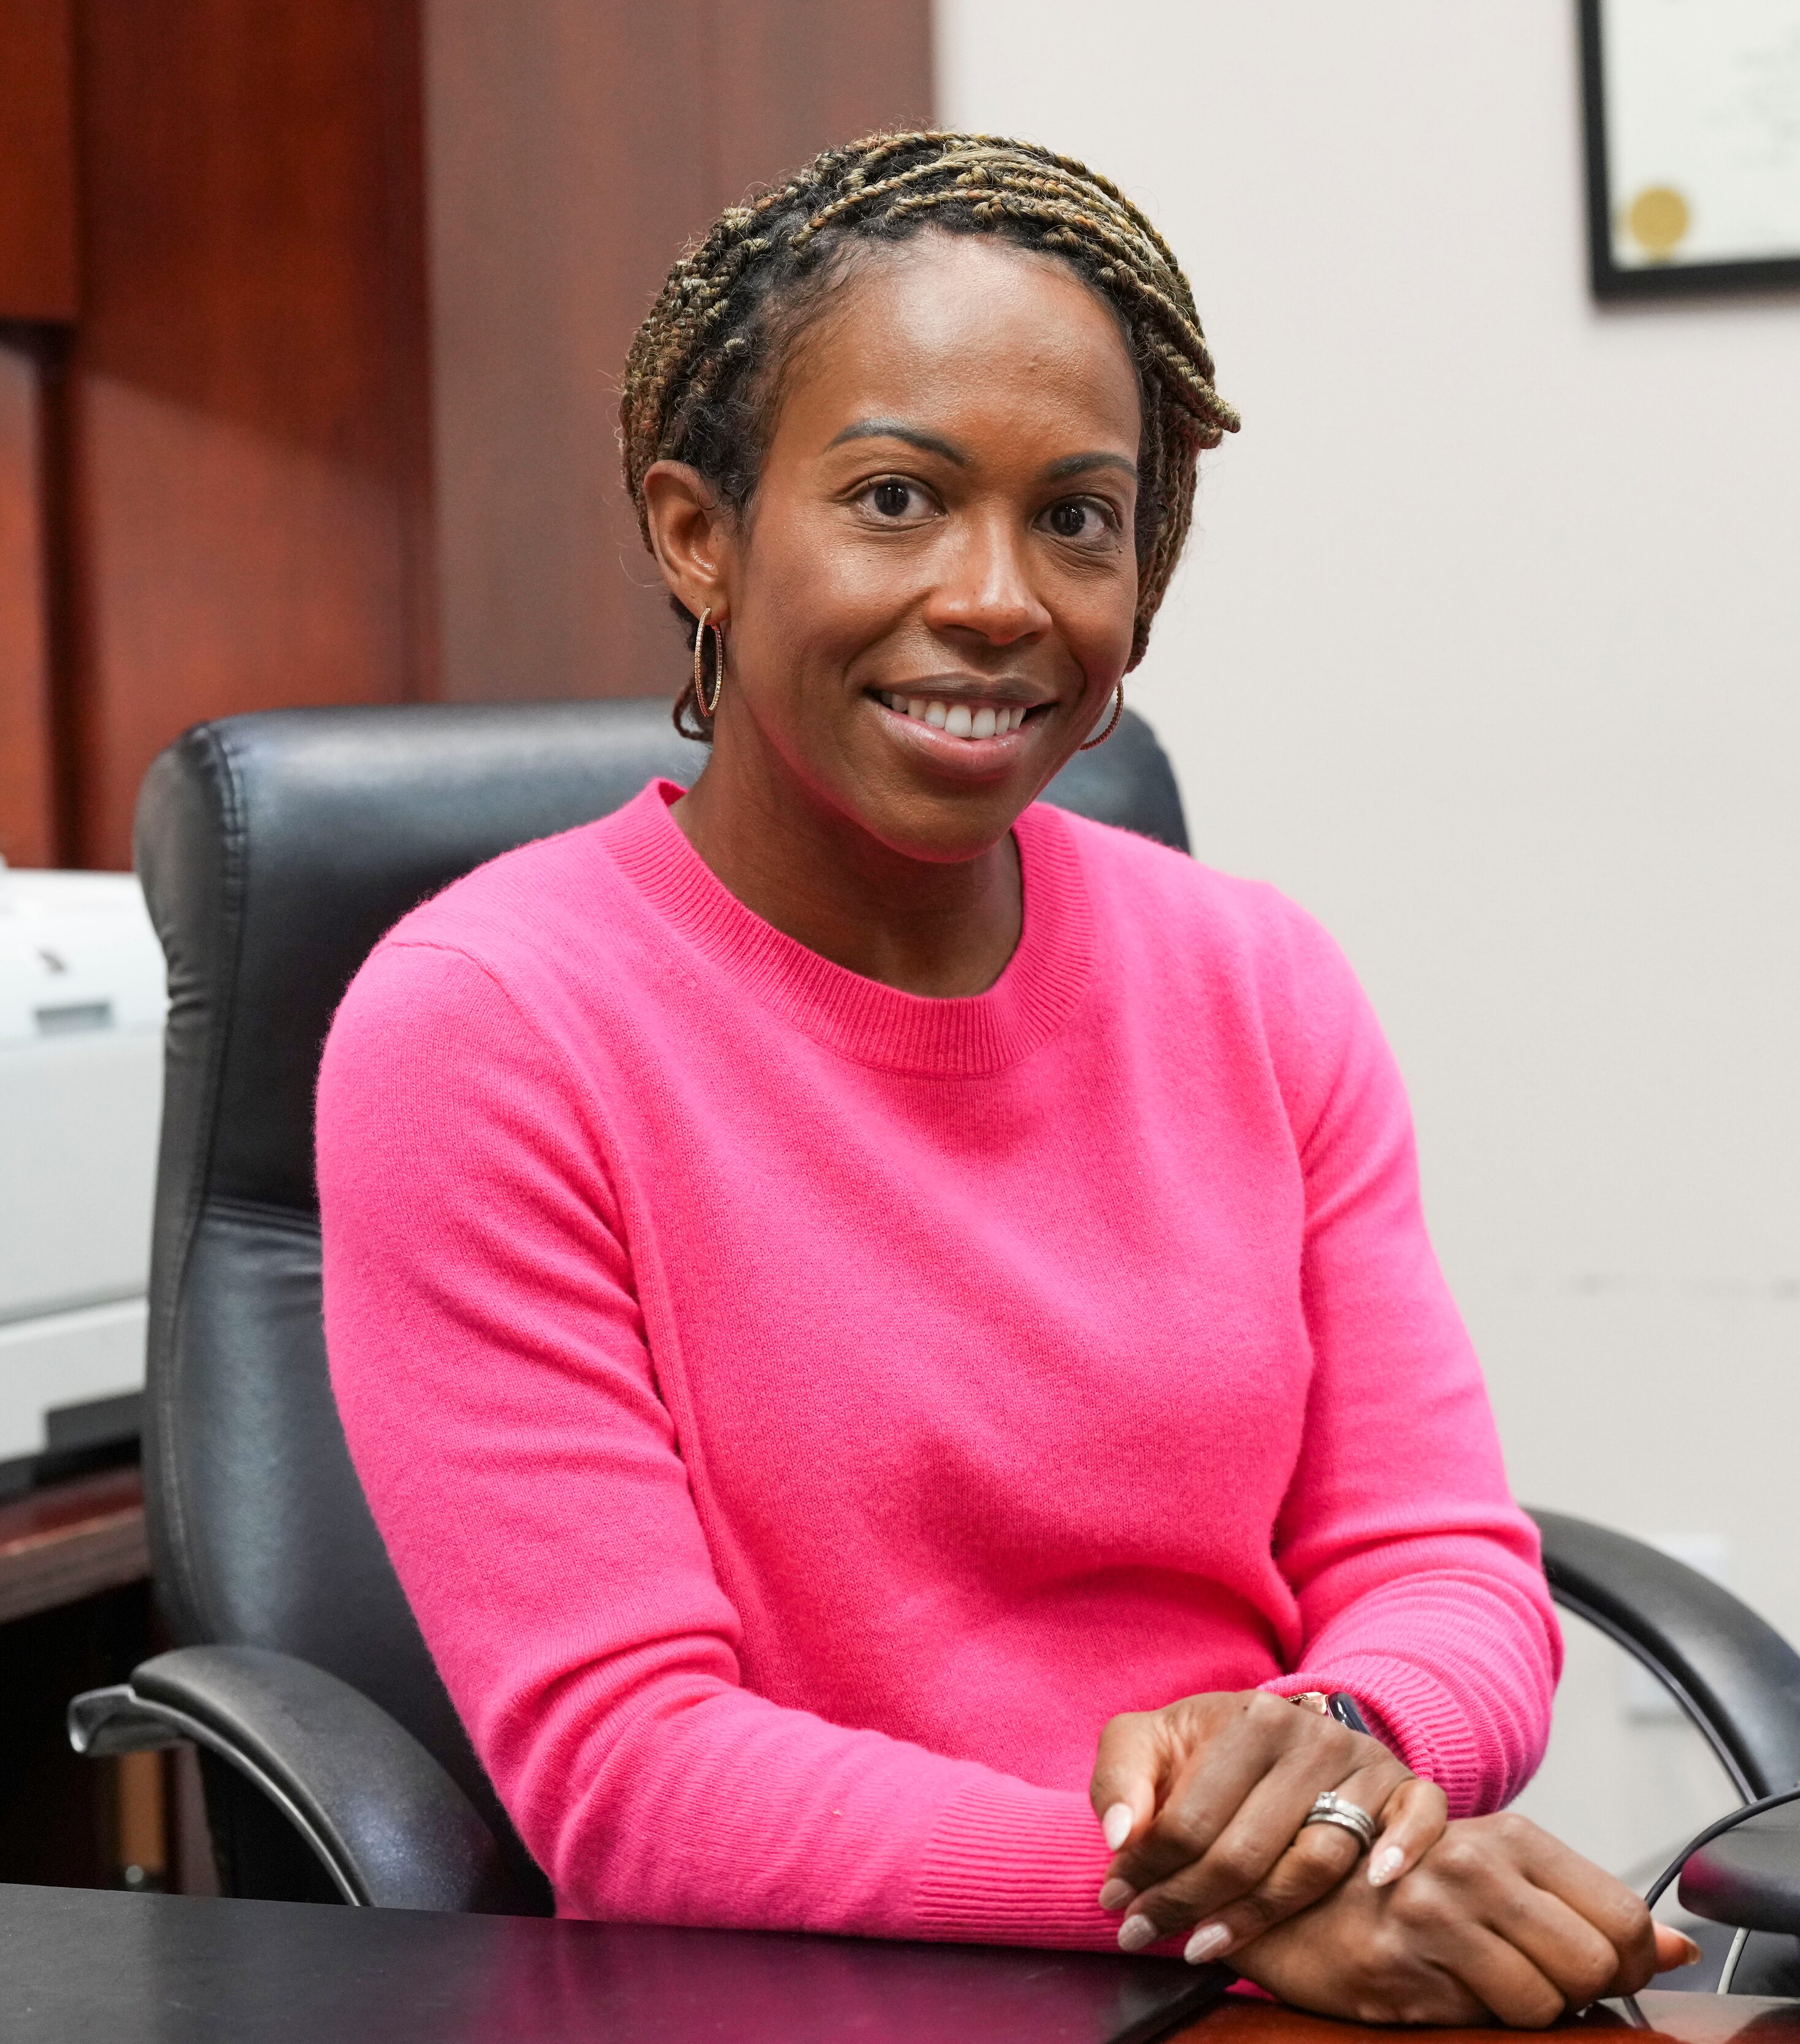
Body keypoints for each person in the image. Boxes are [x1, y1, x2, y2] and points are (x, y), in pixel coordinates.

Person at [318, 131, 1696, 2025]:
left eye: (1079, 518)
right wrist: (1209, 1885)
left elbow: (1436, 1556)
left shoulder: (1257, 977)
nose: (998, 598)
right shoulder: (486, 1023)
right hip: (811, 1996)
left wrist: (1338, 1753)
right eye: (896, 499)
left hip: (1290, 1966)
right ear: (696, 533)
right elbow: (630, 1774)